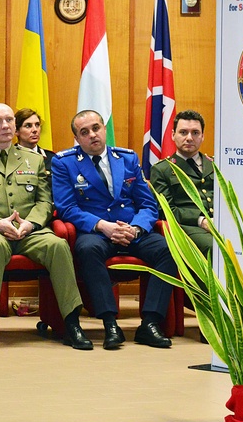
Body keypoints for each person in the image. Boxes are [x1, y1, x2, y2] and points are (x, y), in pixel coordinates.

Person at [0, 104, 91, 351]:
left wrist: (32, 223)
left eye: (9, 120)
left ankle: (71, 324)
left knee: (58, 245)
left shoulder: (34, 159)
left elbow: (45, 200)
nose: (6, 125)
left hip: (30, 230)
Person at [52, 110, 177, 350]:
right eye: (84, 132)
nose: (92, 135)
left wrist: (137, 228)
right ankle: (110, 323)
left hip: (132, 229)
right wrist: (103, 226)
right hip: (96, 231)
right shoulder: (64, 162)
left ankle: (150, 323)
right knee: (87, 250)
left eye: (96, 128)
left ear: (104, 129)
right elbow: (66, 207)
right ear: (77, 139)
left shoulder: (127, 158)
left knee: (168, 249)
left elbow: (148, 204)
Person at [149, 110, 214, 258]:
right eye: (183, 132)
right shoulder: (162, 169)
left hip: (219, 224)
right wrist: (201, 220)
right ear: (173, 135)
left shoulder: (215, 165)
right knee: (214, 246)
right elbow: (165, 210)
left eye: (195, 133)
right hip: (188, 226)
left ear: (203, 136)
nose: (189, 138)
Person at [15, 108, 56, 178]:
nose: (35, 130)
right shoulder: (8, 157)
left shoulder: (52, 158)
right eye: (28, 126)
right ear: (16, 131)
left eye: (37, 125)